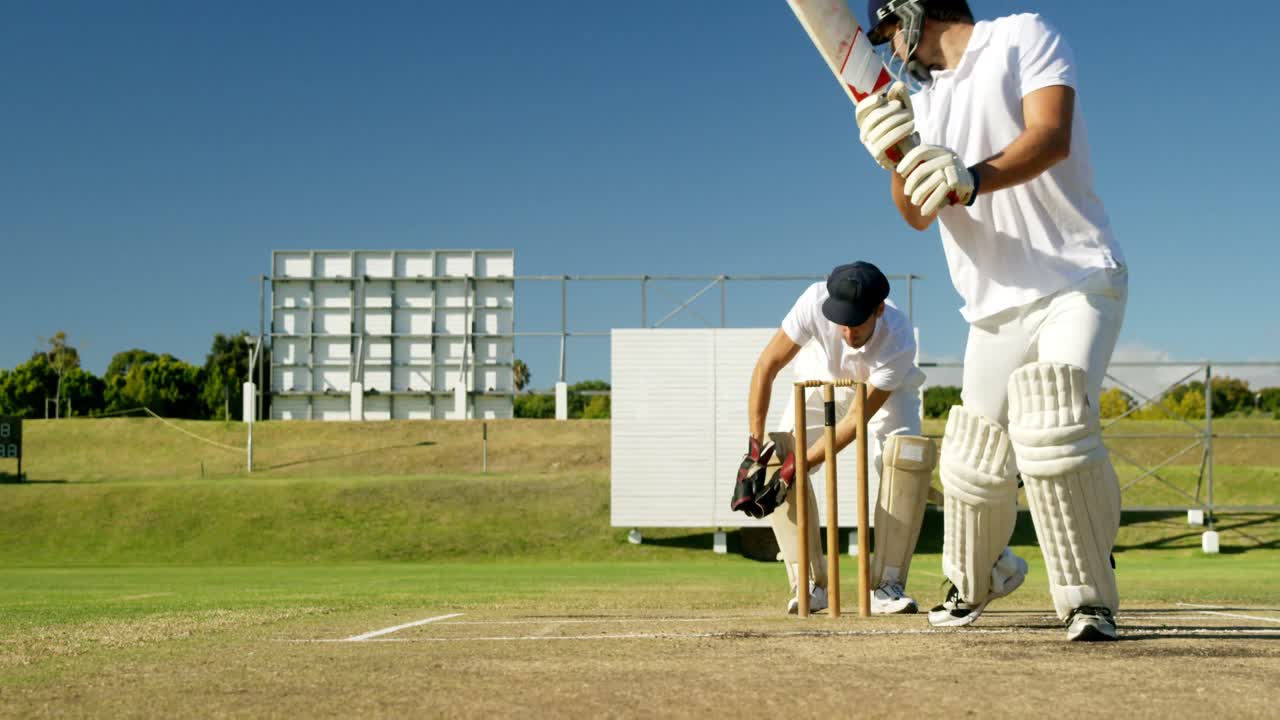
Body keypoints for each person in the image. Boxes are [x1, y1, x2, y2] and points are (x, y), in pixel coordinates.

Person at [856, 0, 1128, 641]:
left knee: (1054, 428)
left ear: (913, 10)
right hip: (992, 307)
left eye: (888, 29)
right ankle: (976, 580)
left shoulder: (1021, 36)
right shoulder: (920, 103)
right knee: (971, 463)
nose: (887, 47)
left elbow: (1051, 135)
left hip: (1076, 279)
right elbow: (916, 213)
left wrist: (972, 178)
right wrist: (895, 149)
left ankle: (1088, 599)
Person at [734, 260, 939, 615]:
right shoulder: (813, 301)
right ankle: (810, 585)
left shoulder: (898, 336)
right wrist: (756, 448)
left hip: (885, 392)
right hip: (821, 382)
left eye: (856, 324)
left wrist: (802, 463)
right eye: (840, 322)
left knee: (905, 461)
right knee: (777, 458)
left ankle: (888, 586)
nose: (847, 333)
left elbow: (857, 419)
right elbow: (767, 364)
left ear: (878, 310)